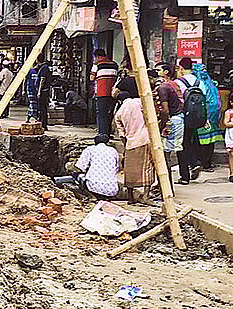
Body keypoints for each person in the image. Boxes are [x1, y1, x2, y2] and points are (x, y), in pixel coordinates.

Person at [112, 75, 155, 203]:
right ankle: (146, 196)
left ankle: (131, 197)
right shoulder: (140, 102)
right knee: (148, 167)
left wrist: (126, 145)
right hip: (145, 138)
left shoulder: (118, 113)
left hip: (130, 143)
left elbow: (121, 133)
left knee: (129, 170)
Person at [174, 57, 203, 184]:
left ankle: (184, 176)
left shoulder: (178, 82)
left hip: (182, 116)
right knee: (190, 141)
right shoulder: (200, 82)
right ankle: (194, 162)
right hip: (196, 117)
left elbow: (176, 101)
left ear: (181, 68)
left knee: (181, 145)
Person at [192, 62, 225, 171]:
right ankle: (204, 163)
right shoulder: (206, 84)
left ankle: (203, 163)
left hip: (207, 117)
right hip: (208, 117)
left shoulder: (203, 83)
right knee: (206, 142)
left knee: (203, 141)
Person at [156, 62, 186, 183]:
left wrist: (162, 125)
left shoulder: (163, 87)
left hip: (172, 120)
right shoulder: (173, 84)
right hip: (178, 118)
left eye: (158, 70)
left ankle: (167, 187)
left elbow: (165, 110)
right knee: (177, 150)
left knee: (166, 154)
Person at [69, 134, 120, 199]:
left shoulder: (90, 149)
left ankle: (90, 196)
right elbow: (116, 168)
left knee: (76, 175)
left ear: (95, 142)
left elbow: (80, 167)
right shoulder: (113, 150)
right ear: (107, 142)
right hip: (112, 189)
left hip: (94, 187)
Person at [91, 50, 119, 137]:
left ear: (98, 57)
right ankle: (107, 132)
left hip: (101, 92)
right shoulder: (114, 64)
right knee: (109, 112)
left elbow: (91, 78)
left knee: (102, 113)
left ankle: (102, 133)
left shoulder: (97, 65)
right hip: (112, 93)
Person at [33, 58, 54, 128]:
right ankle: (41, 123)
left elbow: (42, 79)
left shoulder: (44, 68)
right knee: (41, 108)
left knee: (42, 109)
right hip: (43, 90)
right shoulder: (42, 67)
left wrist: (39, 91)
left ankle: (43, 124)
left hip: (43, 91)